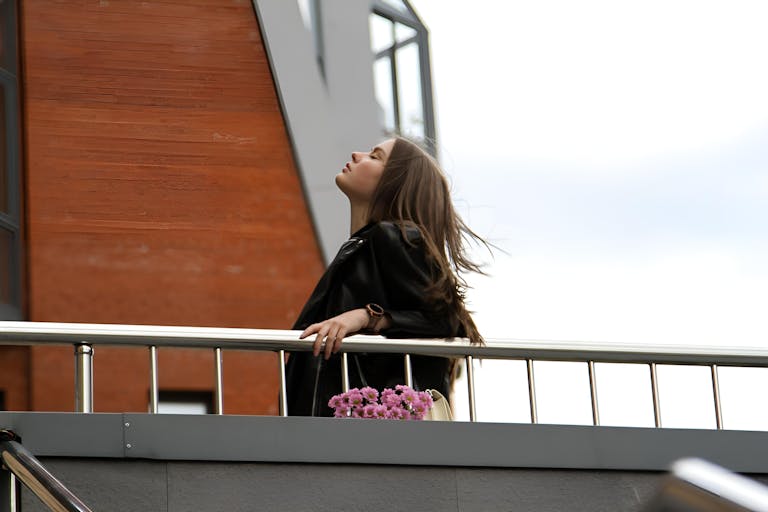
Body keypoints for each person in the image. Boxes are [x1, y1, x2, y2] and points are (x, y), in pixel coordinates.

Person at [285, 137, 487, 417]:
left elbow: (449, 322)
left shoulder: (396, 237)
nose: (357, 154)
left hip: (356, 430)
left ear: (396, 183)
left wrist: (369, 317)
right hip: (328, 424)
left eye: (375, 156)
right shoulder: (364, 245)